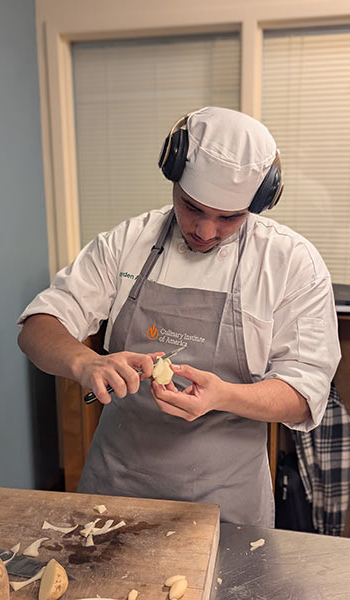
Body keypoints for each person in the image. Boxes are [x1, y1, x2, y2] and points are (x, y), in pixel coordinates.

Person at [17, 106, 341, 527]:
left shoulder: (290, 263)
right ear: (173, 180)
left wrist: (224, 395)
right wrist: (86, 362)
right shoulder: (129, 241)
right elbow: (38, 326)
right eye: (191, 208)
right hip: (114, 492)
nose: (205, 231)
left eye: (229, 218)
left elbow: (305, 394)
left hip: (227, 507)